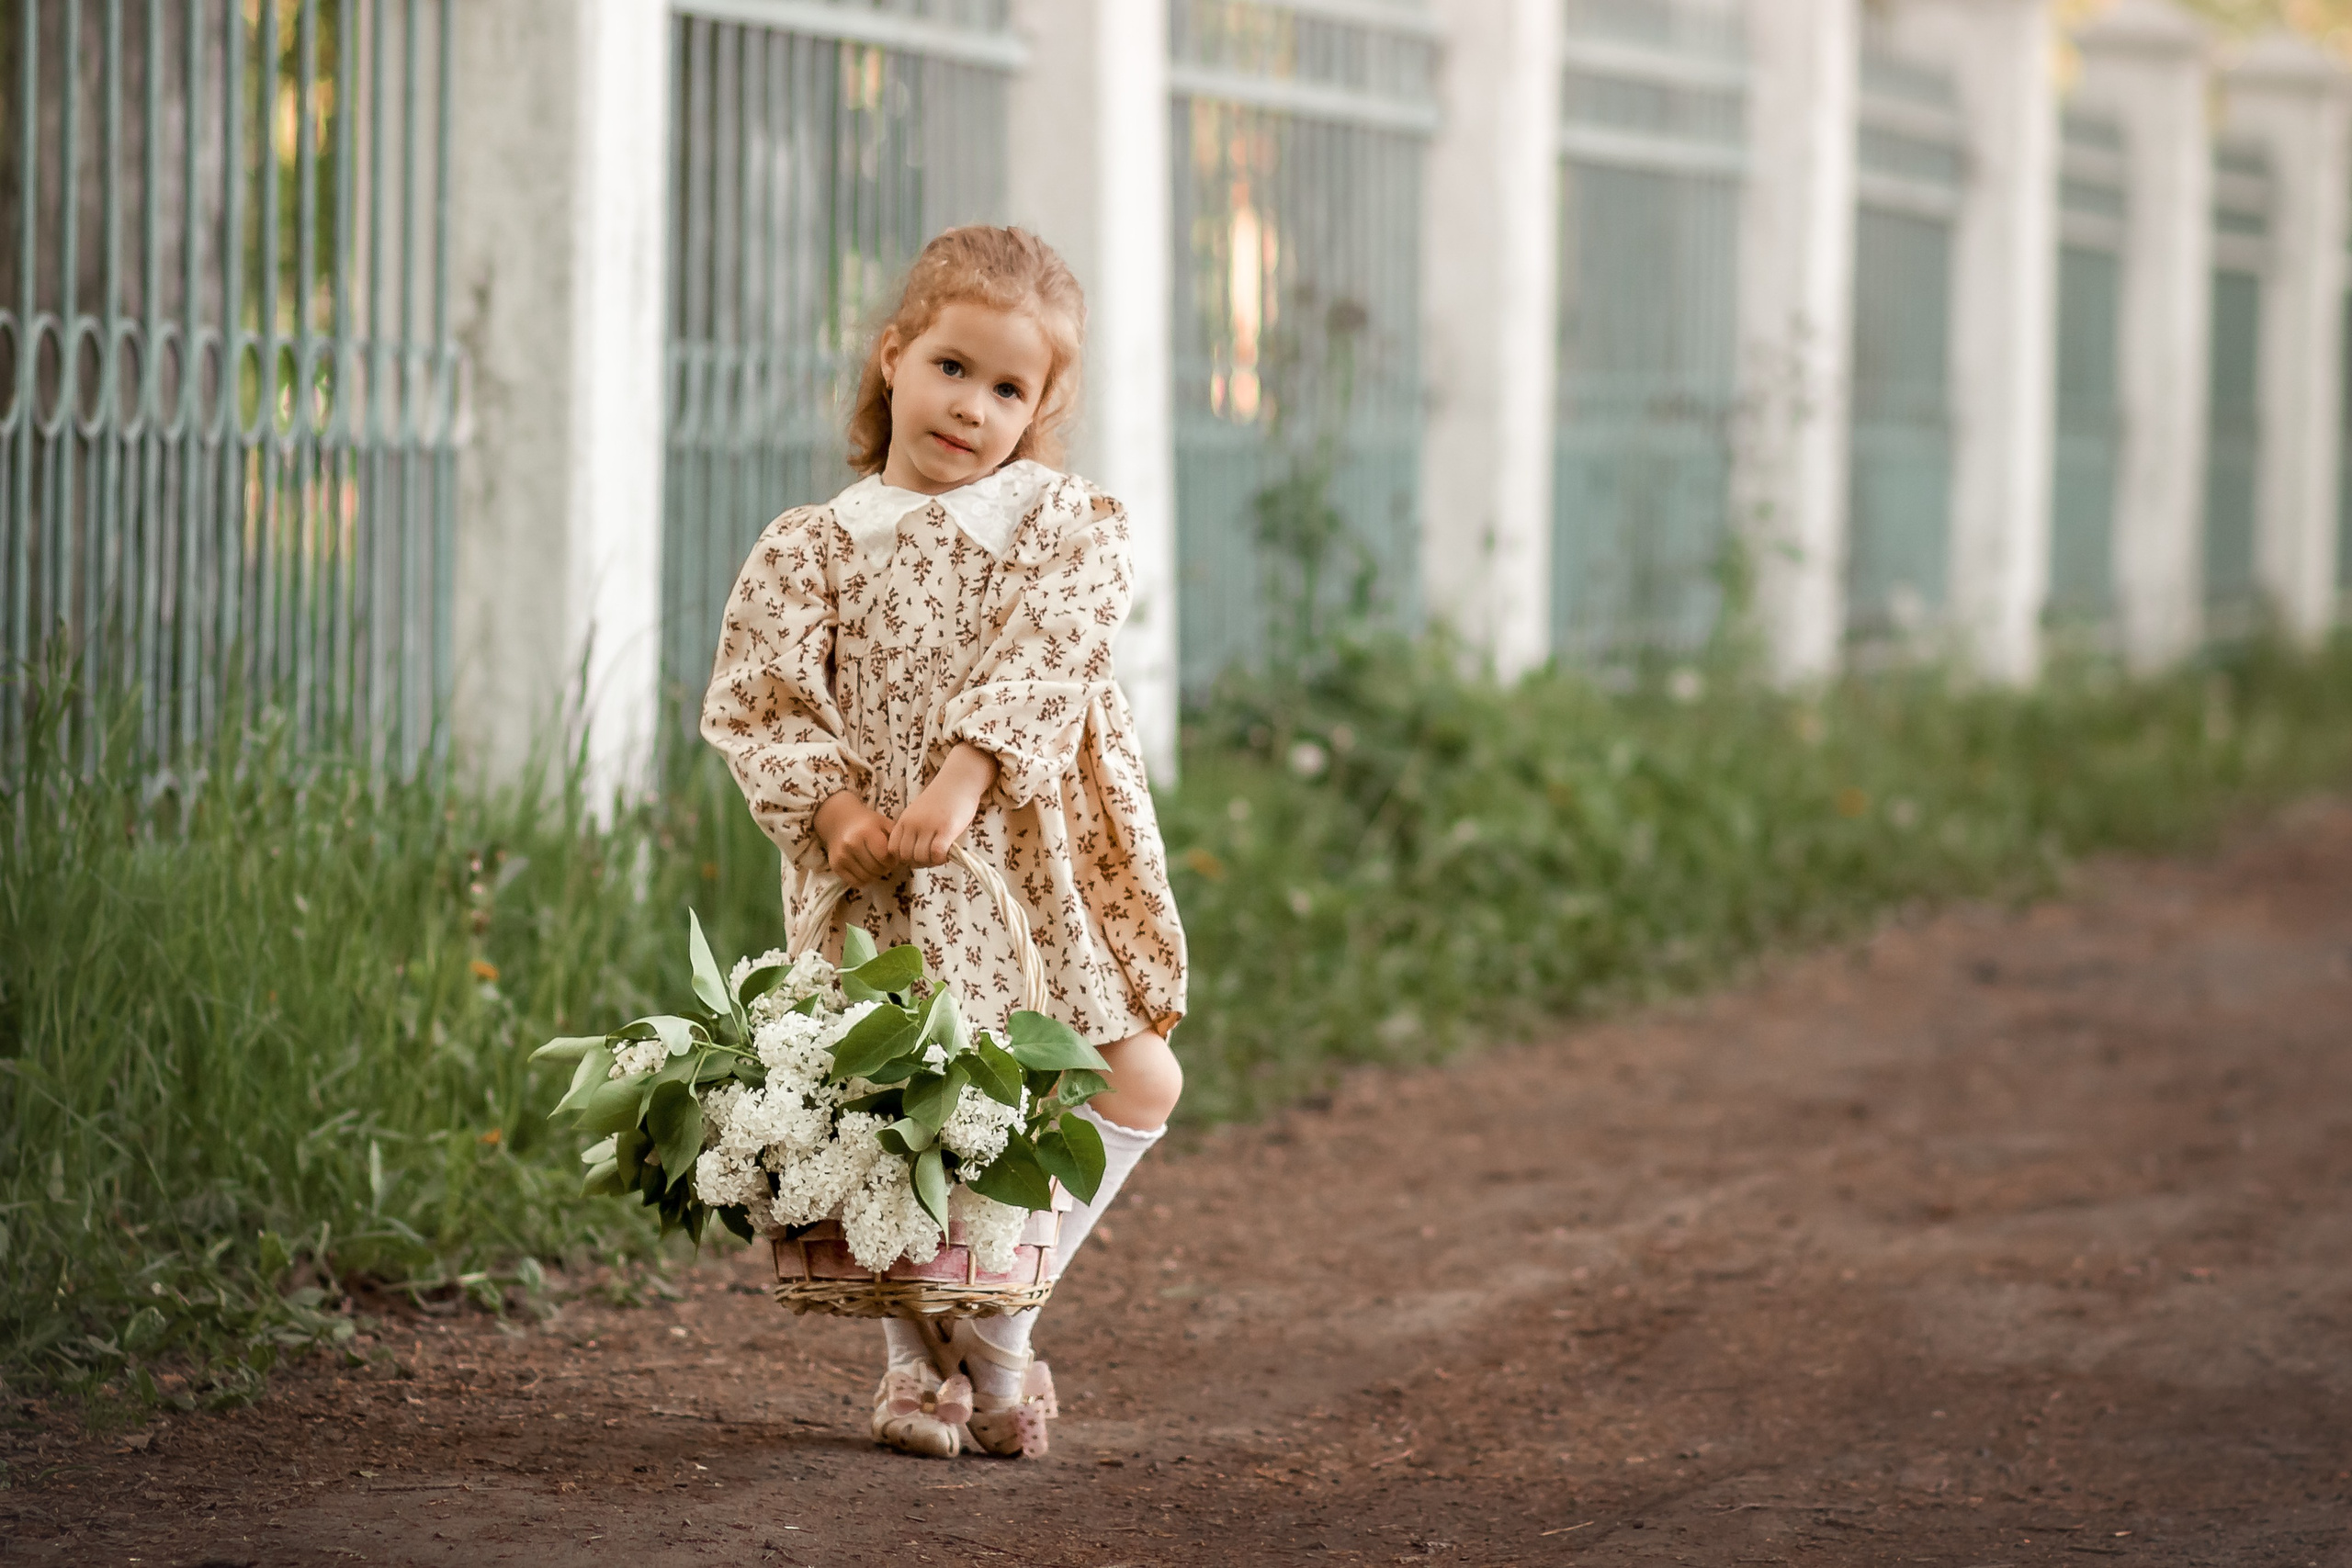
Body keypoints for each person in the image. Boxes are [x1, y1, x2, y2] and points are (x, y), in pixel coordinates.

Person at [701, 226, 1187, 1460]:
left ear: (1043, 409)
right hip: (888, 883)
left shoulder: (1064, 527)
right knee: (906, 1118)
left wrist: (964, 781)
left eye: (1010, 389)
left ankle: (1003, 1339)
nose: (973, 407)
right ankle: (917, 1379)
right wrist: (838, 816)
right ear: (894, 359)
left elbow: (1052, 657)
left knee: (1129, 1076)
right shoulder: (814, 544)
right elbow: (762, 698)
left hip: (1023, 868)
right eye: (952, 368)